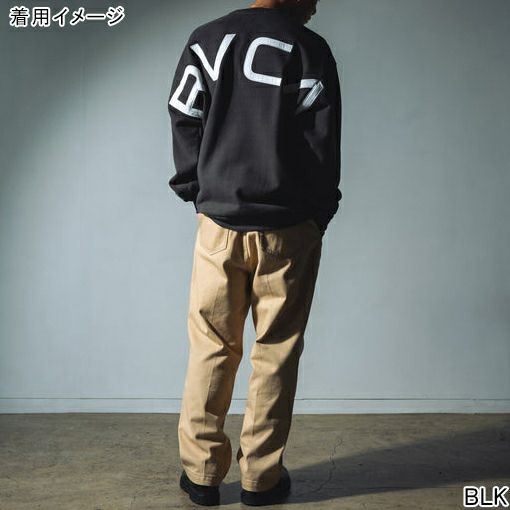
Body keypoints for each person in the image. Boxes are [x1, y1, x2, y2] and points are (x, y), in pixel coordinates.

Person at [167, 0, 342, 505]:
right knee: (276, 350)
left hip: (219, 223)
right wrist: (317, 213)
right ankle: (261, 480)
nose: (317, 4)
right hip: (288, 229)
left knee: (212, 345)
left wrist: (198, 192)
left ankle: (202, 475)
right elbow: (322, 141)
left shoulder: (207, 40)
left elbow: (184, 116)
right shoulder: (308, 49)